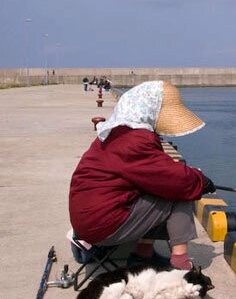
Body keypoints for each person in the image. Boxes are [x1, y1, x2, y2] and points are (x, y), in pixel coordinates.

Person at [69, 80, 215, 270]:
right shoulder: (135, 141)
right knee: (181, 189)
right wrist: (201, 180)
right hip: (102, 225)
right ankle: (180, 262)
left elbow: (153, 173)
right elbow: (178, 181)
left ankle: (143, 255)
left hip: (89, 220)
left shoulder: (116, 133)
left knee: (161, 187)